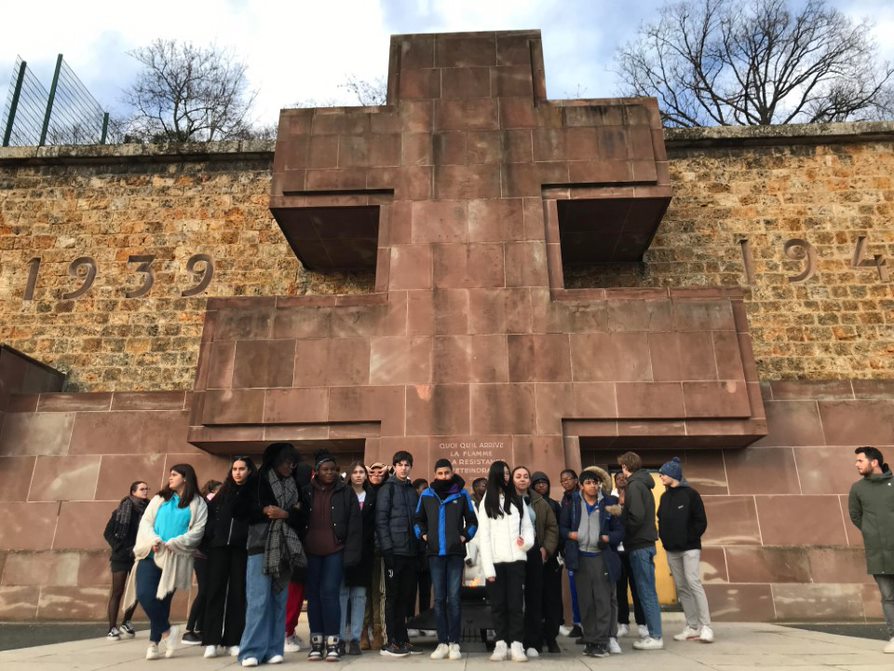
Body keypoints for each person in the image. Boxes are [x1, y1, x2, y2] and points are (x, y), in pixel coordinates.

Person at [123, 464, 208, 660]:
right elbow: (146, 522)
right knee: (144, 595)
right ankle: (168, 632)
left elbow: (197, 531)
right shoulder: (160, 498)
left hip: (176, 558)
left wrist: (175, 543)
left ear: (185, 478)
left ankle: (153, 644)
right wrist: (153, 540)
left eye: (174, 475)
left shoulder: (198, 503)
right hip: (151, 554)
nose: (170, 478)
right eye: (170, 475)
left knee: (162, 601)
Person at [239, 443, 306, 667]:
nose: (290, 466)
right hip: (260, 545)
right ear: (275, 461)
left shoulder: (294, 484)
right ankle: (251, 650)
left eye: (293, 462)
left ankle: (274, 649)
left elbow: (303, 517)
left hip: (285, 548)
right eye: (287, 461)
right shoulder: (257, 481)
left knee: (279, 600)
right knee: (258, 601)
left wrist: (285, 513)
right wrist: (263, 511)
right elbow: (238, 510)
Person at [301, 451, 362, 662]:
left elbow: (355, 526)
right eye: (325, 470)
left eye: (333, 470)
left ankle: (333, 643)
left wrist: (351, 554)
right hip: (311, 552)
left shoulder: (346, 493)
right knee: (314, 596)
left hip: (335, 551)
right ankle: (316, 642)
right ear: (317, 471)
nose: (329, 473)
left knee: (330, 594)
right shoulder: (305, 492)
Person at [414, 458, 478, 660]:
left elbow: (473, 522)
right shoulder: (426, 494)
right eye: (440, 473)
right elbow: (417, 520)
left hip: (455, 555)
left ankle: (454, 643)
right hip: (434, 554)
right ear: (435, 475)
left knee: (454, 599)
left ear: (452, 473)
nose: (443, 477)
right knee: (439, 599)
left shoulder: (462, 493)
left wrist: (464, 537)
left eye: (447, 473)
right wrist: (423, 535)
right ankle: (442, 642)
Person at [560, 467, 623, 658]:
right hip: (580, 557)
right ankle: (590, 639)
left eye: (595, 483)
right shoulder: (572, 503)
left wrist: (607, 538)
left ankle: (602, 642)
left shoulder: (609, 503)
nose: (593, 486)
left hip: (600, 556)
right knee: (586, 602)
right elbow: (561, 527)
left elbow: (620, 531)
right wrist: (569, 534)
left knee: (603, 600)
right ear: (581, 485)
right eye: (588, 483)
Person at [478, 460, 534, 662]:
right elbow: (483, 536)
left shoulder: (517, 498)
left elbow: (527, 527)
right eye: (503, 474)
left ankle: (517, 645)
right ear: (495, 475)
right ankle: (501, 644)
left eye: (508, 473)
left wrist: (525, 542)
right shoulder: (487, 501)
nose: (507, 477)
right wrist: (488, 569)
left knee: (516, 604)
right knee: (498, 605)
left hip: (516, 560)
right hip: (495, 562)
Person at [201, 458, 256, 659]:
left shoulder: (255, 492)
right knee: (214, 592)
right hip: (218, 548)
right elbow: (209, 517)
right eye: (234, 469)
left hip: (241, 549)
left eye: (242, 469)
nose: (238, 473)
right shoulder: (223, 492)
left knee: (237, 593)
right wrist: (212, 536)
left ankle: (233, 640)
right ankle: (211, 640)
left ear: (249, 471)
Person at [657, 457, 713, 644]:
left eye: (663, 474)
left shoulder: (691, 494)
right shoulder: (664, 497)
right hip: (672, 550)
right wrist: (666, 540)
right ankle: (692, 626)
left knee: (693, 582)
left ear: (673, 474)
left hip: (690, 548)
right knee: (681, 587)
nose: (660, 477)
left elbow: (700, 521)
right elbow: (661, 520)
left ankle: (706, 626)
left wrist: (688, 538)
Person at [848, 446, 894, 654]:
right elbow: (856, 516)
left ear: (873, 462)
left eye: (860, 460)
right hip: (878, 553)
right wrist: (871, 533)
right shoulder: (857, 489)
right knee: (888, 596)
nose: (857, 464)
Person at [375, 451, 420, 657]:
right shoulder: (387, 489)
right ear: (394, 466)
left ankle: (403, 639)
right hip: (394, 551)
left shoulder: (412, 491)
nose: (404, 468)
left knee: (405, 597)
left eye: (407, 465)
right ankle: (391, 640)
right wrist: (387, 549)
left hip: (410, 552)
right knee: (392, 597)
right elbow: (381, 521)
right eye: (400, 464)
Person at [617, 451, 663, 650]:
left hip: (639, 545)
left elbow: (635, 516)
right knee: (647, 590)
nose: (621, 470)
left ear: (626, 467)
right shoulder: (644, 484)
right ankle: (655, 634)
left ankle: (655, 636)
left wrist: (622, 529)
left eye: (622, 467)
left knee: (646, 592)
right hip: (646, 543)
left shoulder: (634, 485)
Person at [512, 466, 558, 658]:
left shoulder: (539, 501)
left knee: (534, 598)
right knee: (514, 599)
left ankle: (533, 641)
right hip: (512, 554)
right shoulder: (505, 499)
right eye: (518, 476)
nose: (522, 479)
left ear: (529, 481)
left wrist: (545, 548)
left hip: (534, 553)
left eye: (525, 476)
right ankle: (513, 641)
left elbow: (551, 527)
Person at [103, 480, 150, 640]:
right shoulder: (120, 511)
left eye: (146, 489)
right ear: (133, 492)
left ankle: (126, 621)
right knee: (117, 591)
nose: (145, 491)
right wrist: (120, 548)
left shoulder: (149, 511)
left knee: (136, 590)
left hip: (139, 554)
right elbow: (108, 533)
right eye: (142, 489)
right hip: (121, 556)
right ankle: (112, 627)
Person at [182, 479, 222, 647]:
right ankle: (189, 629)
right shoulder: (207, 506)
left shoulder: (211, 507)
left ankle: (200, 627)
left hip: (208, 554)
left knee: (209, 591)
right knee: (205, 591)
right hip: (203, 554)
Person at [341, 461, 375, 656]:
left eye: (362, 472)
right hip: (344, 551)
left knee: (360, 596)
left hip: (364, 552)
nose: (358, 475)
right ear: (349, 476)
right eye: (355, 472)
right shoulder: (342, 495)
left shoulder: (372, 496)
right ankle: (340, 637)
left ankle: (355, 638)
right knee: (342, 595)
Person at [531, 472, 564, 653]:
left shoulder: (553, 505)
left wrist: (549, 550)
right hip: (532, 559)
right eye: (537, 483)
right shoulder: (527, 503)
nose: (541, 486)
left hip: (550, 559)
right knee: (535, 600)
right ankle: (536, 637)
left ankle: (551, 637)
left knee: (552, 600)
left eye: (544, 482)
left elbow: (557, 530)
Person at [613, 471, 647, 639]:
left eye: (624, 478)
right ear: (615, 481)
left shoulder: (634, 496)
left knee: (637, 587)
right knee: (620, 590)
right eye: (618, 478)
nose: (622, 480)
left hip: (632, 548)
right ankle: (623, 623)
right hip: (617, 552)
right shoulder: (611, 498)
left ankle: (642, 623)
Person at [284, 457, 312, 654]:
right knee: (292, 596)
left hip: (297, 553)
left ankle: (289, 632)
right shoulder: (297, 498)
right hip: (293, 553)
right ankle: (285, 634)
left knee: (295, 595)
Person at [362, 461, 389, 650]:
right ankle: (364, 631)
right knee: (363, 593)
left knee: (379, 593)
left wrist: (390, 472)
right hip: (364, 548)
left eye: (381, 470)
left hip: (383, 548)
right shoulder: (363, 491)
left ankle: (379, 631)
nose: (377, 473)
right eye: (373, 470)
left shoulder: (389, 490)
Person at [559, 469, 583, 639]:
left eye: (569, 479)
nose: (566, 482)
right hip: (572, 549)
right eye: (563, 480)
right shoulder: (565, 499)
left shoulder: (582, 496)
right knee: (574, 589)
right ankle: (578, 624)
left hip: (586, 548)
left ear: (576, 480)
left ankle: (587, 625)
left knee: (586, 590)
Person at [408, 477, 432, 637]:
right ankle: (411, 622)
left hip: (427, 554)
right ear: (416, 489)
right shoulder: (410, 505)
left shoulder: (429, 504)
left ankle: (425, 622)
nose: (426, 491)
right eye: (423, 488)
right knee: (410, 591)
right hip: (412, 553)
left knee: (426, 591)